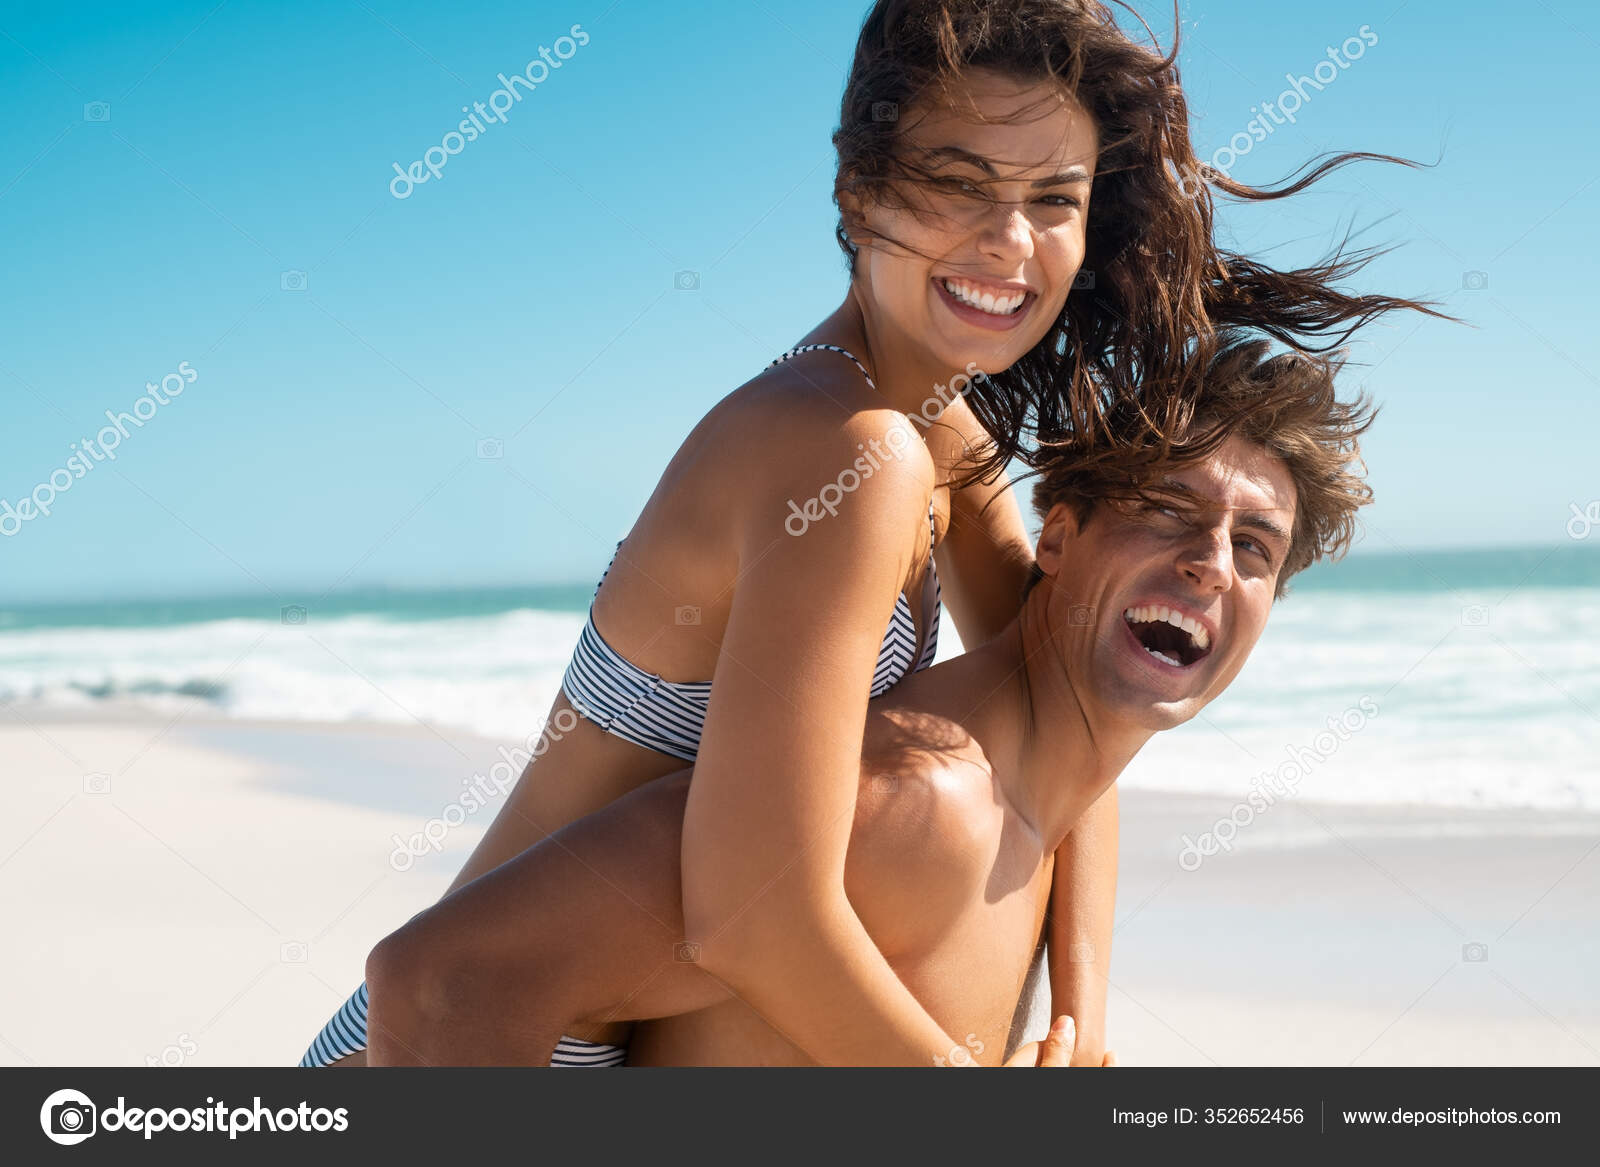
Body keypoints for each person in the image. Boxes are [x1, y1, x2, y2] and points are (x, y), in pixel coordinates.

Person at [303, 0, 1437, 1069]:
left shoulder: (924, 424)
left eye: (1054, 198)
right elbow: (756, 919)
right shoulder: (846, 453)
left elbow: (1075, 710)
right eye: (958, 183)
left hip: (577, 996)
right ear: (859, 194)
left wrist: (1081, 1013)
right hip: (480, 1032)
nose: (1010, 241)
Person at [366, 335, 1367, 1065]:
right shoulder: (914, 805)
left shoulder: (1039, 808)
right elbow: (443, 982)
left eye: (1254, 550)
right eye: (1167, 513)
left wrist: (1080, 1021)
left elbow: (1079, 755)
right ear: (1054, 541)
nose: (1207, 565)